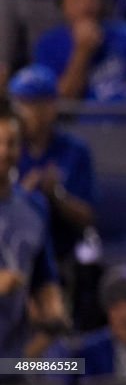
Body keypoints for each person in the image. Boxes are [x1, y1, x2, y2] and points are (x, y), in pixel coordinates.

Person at [8, 65, 95, 266]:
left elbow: (88, 218)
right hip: (10, 250)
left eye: (37, 104)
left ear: (52, 106)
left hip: (60, 250)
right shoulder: (6, 148)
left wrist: (56, 195)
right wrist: (23, 195)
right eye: (22, 103)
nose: (29, 112)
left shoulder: (74, 149)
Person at [0, 99, 67, 358]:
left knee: (74, 368)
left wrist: (53, 310)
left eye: (12, 143)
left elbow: (43, 276)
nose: (5, 152)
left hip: (14, 362)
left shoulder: (33, 207)